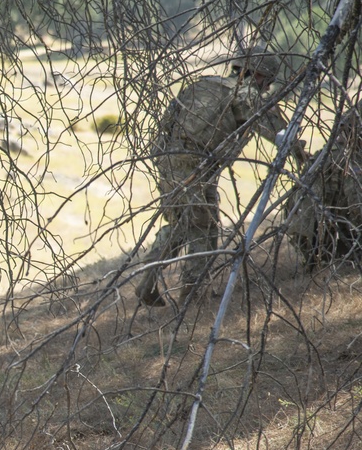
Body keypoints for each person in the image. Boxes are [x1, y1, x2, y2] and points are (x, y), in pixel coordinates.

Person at [137, 45, 309, 306]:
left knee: (183, 223)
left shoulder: (202, 85)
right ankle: (192, 300)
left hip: (169, 160)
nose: (267, 90)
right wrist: (303, 158)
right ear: (260, 76)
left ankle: (148, 282)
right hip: (197, 166)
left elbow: (167, 123)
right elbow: (279, 133)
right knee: (202, 229)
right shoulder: (246, 94)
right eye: (268, 83)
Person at [285, 104, 362, 267]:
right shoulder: (349, 159)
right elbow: (356, 206)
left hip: (312, 229)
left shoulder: (326, 154)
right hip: (315, 229)